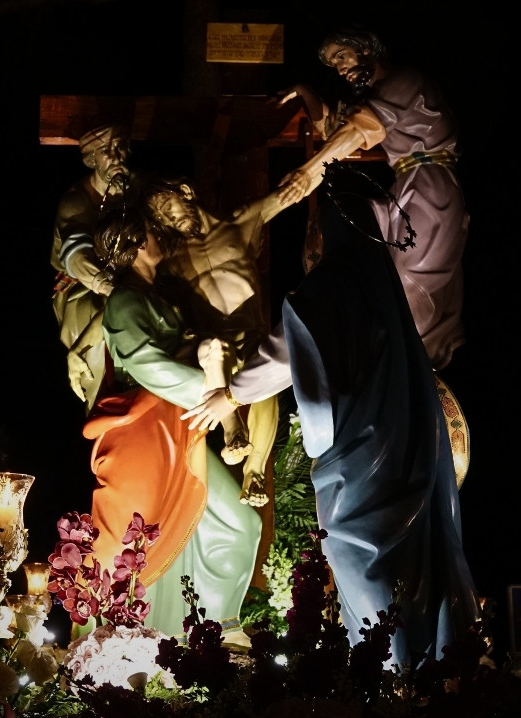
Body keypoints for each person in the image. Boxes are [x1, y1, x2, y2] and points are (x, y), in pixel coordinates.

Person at [181, 167, 481, 669]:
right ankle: (417, 666)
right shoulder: (379, 283)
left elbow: (283, 352)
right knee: (401, 556)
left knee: (359, 553)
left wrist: (230, 395)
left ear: (333, 226)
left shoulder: (336, 282)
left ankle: (393, 675)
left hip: (363, 454)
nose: (312, 239)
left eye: (317, 224)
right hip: (399, 445)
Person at [81, 203, 262, 645]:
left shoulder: (161, 297)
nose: (160, 238)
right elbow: (145, 363)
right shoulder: (123, 300)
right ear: (138, 243)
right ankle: (118, 645)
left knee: (240, 521)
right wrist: (209, 390)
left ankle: (217, 629)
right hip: (144, 433)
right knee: (133, 543)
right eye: (152, 233)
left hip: (182, 425)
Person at [277, 24, 469, 374]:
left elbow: (360, 129)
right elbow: (335, 131)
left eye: (342, 57)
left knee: (415, 278)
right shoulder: (377, 96)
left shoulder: (404, 80)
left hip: (431, 187)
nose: (340, 68)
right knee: (365, 260)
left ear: (366, 50)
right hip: (406, 187)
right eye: (334, 65)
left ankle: (412, 368)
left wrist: (309, 173)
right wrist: (306, 92)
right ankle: (383, 356)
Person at [142, 175, 292, 507]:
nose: (169, 219)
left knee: (265, 375)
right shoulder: (170, 260)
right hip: (212, 345)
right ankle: (231, 427)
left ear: (186, 191)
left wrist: (335, 149)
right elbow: (128, 276)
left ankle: (253, 472)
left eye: (168, 207)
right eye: (161, 218)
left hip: (251, 336)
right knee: (213, 350)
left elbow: (291, 190)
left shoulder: (240, 225)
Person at [50, 122, 133, 411]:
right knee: (100, 316)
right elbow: (76, 256)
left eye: (121, 148)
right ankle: (100, 393)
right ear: (91, 159)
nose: (117, 156)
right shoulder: (76, 201)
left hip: (132, 282)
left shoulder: (137, 191)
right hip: (83, 288)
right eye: (106, 152)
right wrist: (109, 288)